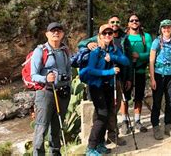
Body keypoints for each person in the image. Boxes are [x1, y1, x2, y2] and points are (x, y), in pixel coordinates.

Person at [77, 16, 129, 146]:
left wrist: (112, 56)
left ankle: (101, 143)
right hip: (97, 86)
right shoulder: (95, 50)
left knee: (107, 113)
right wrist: (109, 72)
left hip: (109, 86)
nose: (107, 35)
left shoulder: (114, 48)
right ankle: (93, 145)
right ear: (99, 35)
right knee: (101, 115)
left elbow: (126, 61)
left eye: (109, 33)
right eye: (104, 33)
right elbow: (90, 70)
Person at [31, 22, 71, 156]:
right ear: (47, 34)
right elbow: (33, 75)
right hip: (45, 93)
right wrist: (46, 79)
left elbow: (68, 70)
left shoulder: (65, 50)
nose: (56, 33)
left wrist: (68, 83)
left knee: (57, 127)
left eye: (59, 30)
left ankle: (55, 153)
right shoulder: (40, 51)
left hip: (63, 93)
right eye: (52, 31)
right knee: (41, 127)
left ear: (62, 34)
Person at [149, 19, 171, 140]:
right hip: (158, 74)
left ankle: (167, 126)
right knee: (157, 101)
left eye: (168, 27)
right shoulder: (156, 42)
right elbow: (151, 60)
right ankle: (155, 126)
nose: (166, 29)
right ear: (161, 29)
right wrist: (152, 78)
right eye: (164, 28)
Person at [121, 14, 152, 133]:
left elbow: (150, 53)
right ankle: (124, 121)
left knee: (138, 97)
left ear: (139, 23)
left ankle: (137, 121)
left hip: (140, 70)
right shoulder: (124, 37)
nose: (134, 22)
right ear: (128, 24)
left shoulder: (146, 36)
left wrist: (139, 56)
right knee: (125, 96)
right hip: (126, 71)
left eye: (136, 20)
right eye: (131, 20)